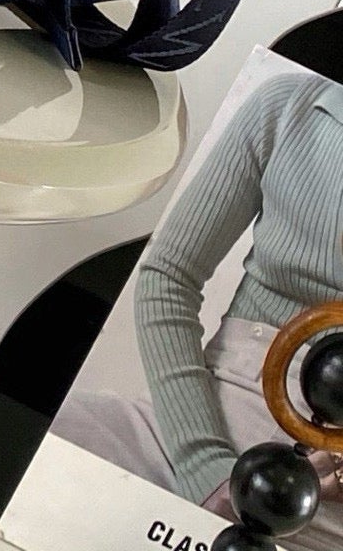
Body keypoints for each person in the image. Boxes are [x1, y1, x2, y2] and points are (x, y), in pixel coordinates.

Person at [56, 69, 343, 545]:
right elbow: (168, 276)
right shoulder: (289, 106)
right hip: (199, 420)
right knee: (38, 449)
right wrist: (203, 462)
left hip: (330, 506)